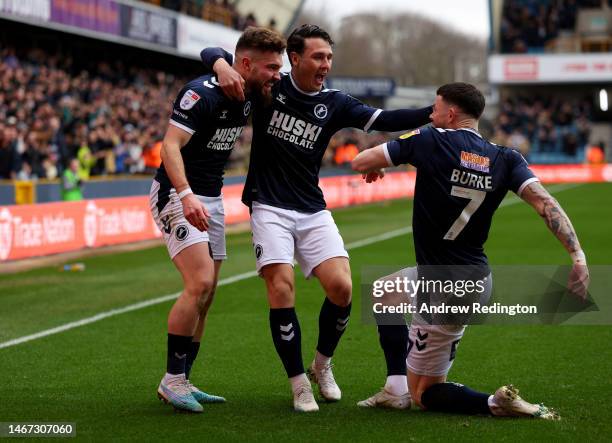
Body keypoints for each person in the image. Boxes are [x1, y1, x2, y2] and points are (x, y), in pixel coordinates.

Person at [200, 24, 432, 412]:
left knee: (342, 289)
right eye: (318, 57)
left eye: (329, 57)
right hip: (269, 205)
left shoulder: (336, 102)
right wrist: (222, 64)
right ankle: (298, 385)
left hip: (311, 207)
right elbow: (210, 52)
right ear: (295, 58)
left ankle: (321, 366)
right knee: (281, 287)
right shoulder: (270, 86)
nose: (325, 64)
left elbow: (387, 118)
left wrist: (433, 111)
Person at [351, 82, 589, 418]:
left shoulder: (429, 138)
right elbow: (544, 203)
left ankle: (493, 402)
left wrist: (378, 162)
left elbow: (361, 161)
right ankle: (394, 388)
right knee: (384, 292)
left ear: (450, 113)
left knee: (425, 393)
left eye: (434, 109)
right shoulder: (505, 157)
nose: (430, 115)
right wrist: (577, 255)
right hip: (476, 280)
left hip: (441, 285)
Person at [150, 27, 285, 413]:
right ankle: (171, 380)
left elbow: (212, 49)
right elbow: (169, 146)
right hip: (179, 193)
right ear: (245, 64)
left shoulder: (252, 86)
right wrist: (186, 194)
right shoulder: (203, 93)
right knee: (200, 281)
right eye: (272, 67)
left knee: (207, 298)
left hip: (213, 198)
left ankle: (183, 380)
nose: (277, 74)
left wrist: (220, 59)